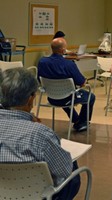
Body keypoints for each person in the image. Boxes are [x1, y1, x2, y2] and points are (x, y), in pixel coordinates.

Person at [0, 67, 80, 200]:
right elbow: (64, 172)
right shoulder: (40, 133)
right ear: (30, 99)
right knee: (73, 170)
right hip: (36, 195)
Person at [38, 38, 96, 131]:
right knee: (91, 97)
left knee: (64, 93)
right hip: (67, 99)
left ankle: (76, 120)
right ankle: (82, 122)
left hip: (52, 98)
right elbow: (82, 83)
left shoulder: (42, 62)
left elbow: (39, 80)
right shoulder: (69, 64)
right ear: (63, 50)